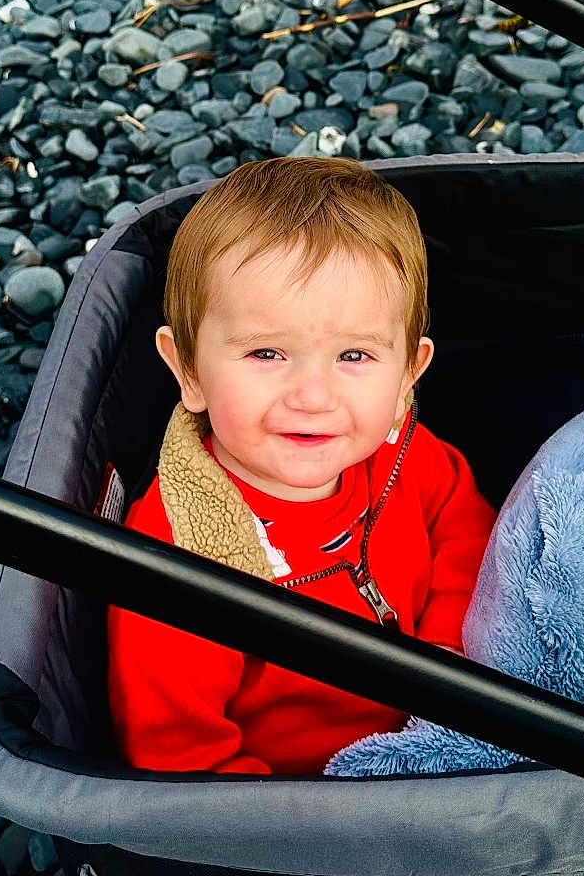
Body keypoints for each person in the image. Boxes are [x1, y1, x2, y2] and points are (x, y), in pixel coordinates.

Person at [106, 156, 497, 775]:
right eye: (267, 352)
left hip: (447, 721)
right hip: (309, 799)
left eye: (354, 356)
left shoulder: (403, 453)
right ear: (188, 371)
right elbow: (181, 760)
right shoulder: (179, 569)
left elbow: (464, 527)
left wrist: (453, 650)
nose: (313, 397)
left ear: (406, 377)